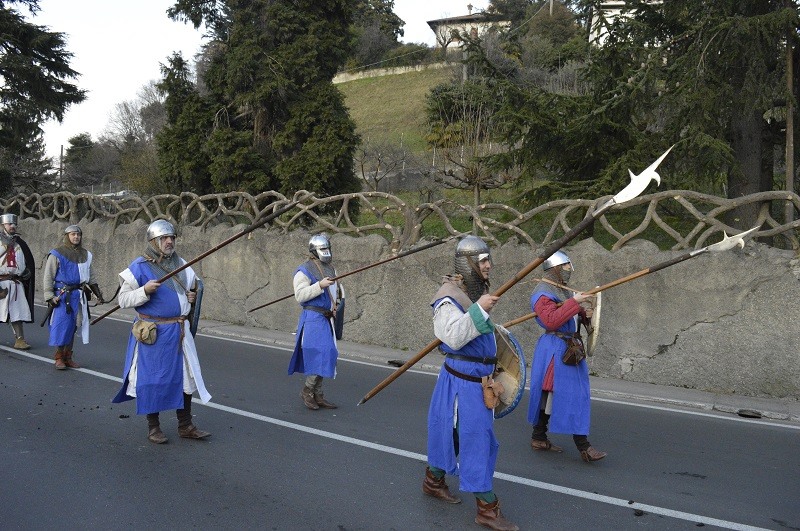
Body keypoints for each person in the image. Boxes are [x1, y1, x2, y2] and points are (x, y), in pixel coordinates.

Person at [424, 235, 518, 531]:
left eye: (489, 259)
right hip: (460, 384)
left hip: (475, 382)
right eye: (483, 261)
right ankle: (487, 509)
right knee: (477, 442)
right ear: (467, 264)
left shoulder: (471, 293)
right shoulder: (447, 298)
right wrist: (479, 310)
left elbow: (476, 333)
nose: (489, 265)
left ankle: (433, 480)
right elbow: (451, 336)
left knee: (451, 433)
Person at [112, 220, 211, 444]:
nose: (169, 242)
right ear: (153, 241)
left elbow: (193, 288)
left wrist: (191, 297)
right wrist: (144, 291)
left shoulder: (182, 264)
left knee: (184, 377)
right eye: (164, 238)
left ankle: (185, 425)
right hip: (153, 333)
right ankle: (153, 427)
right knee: (152, 380)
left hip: (178, 331)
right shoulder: (138, 267)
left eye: (172, 238)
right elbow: (123, 300)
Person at [527, 250, 607, 463]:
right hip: (556, 349)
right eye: (566, 266)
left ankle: (538, 437)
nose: (570, 270)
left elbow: (568, 315)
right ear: (555, 267)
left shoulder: (561, 290)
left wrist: (584, 313)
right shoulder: (542, 293)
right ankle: (584, 446)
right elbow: (551, 320)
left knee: (549, 395)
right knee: (573, 395)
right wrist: (575, 303)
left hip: (567, 347)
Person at [287, 233, 344, 410]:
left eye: (327, 248)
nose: (326, 252)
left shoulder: (330, 269)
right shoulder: (303, 270)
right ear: (315, 250)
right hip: (313, 317)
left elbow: (337, 292)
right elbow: (300, 296)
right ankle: (308, 390)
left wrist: (337, 304)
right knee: (321, 353)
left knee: (328, 354)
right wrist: (319, 285)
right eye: (323, 249)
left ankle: (317, 394)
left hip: (327, 317)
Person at [42, 225, 105, 369]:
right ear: (67, 236)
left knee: (74, 326)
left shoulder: (86, 255)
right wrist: (50, 296)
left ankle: (67, 356)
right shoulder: (57, 254)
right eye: (73, 234)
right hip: (63, 296)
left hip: (79, 295)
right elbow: (48, 276)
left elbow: (91, 277)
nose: (76, 237)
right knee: (62, 326)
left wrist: (98, 294)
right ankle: (59, 357)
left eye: (78, 234)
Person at [0, 213, 35, 350]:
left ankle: (20, 340)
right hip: (1, 282)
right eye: (10, 224)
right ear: (3, 225)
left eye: (14, 224)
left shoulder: (20, 243)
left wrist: (27, 272)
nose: (13, 226)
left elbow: (27, 261)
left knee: (17, 312)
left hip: (15, 283)